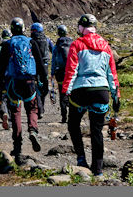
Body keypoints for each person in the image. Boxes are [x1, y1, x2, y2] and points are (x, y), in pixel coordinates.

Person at [61, 13, 122, 177]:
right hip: (101, 92)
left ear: (81, 28)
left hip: (81, 92)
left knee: (73, 124)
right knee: (96, 130)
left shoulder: (76, 44)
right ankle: (98, 169)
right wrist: (116, 95)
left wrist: (66, 91)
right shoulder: (106, 46)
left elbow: (71, 71)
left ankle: (81, 159)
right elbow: (112, 74)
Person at [0, 17, 41, 156]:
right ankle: (33, 130)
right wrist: (43, 81)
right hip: (29, 81)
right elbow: (40, 63)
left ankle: (17, 146)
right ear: (23, 29)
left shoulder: (7, 44)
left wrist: (0, 84)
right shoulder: (31, 42)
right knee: (32, 108)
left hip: (13, 83)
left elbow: (1, 67)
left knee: (15, 111)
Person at [50, 25, 75, 123]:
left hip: (59, 72)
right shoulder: (72, 43)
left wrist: (52, 73)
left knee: (62, 93)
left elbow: (53, 60)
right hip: (70, 71)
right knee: (72, 92)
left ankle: (64, 116)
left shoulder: (56, 46)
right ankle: (72, 115)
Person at [30, 22, 54, 118]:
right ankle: (42, 108)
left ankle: (39, 108)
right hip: (45, 65)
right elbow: (53, 50)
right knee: (44, 87)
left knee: (35, 87)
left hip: (34, 66)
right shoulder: (47, 40)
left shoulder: (31, 41)